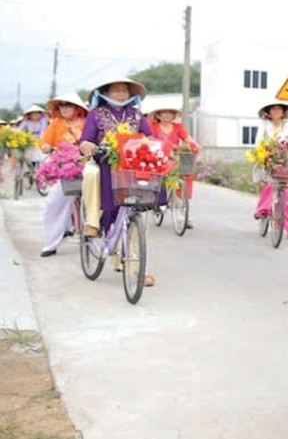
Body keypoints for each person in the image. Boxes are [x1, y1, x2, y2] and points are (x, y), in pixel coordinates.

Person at [78, 77, 157, 287]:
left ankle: (135, 268)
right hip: (102, 161)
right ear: (105, 93)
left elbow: (150, 137)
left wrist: (155, 146)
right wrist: (87, 145)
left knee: (137, 212)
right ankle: (92, 222)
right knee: (90, 173)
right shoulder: (96, 114)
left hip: (129, 165)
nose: (121, 94)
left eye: (125, 90)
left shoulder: (136, 115)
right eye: (116, 90)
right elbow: (86, 139)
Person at [37, 93, 89, 256]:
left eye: (69, 105)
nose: (65, 108)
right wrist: (46, 146)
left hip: (88, 164)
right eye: (61, 105)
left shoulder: (88, 122)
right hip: (64, 168)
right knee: (54, 202)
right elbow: (45, 141)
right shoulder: (56, 124)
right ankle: (51, 243)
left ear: (77, 108)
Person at [252, 99, 288, 239]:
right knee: (270, 185)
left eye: (279, 109)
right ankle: (263, 210)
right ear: (268, 113)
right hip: (269, 159)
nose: (276, 111)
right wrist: (262, 153)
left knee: (286, 195)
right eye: (273, 109)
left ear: (283, 112)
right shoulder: (265, 125)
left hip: (285, 160)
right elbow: (258, 141)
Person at [146, 101, 200, 229]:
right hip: (159, 157)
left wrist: (194, 145)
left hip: (175, 158)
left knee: (185, 175)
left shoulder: (178, 127)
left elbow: (188, 139)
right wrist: (167, 147)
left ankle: (183, 210)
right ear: (158, 115)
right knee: (159, 177)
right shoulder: (153, 127)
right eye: (164, 112)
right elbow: (149, 140)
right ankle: (159, 202)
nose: (167, 115)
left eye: (170, 113)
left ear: (174, 115)